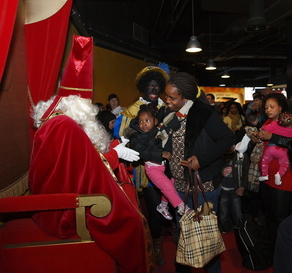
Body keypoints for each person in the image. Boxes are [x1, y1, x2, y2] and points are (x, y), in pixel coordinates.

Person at [28, 35, 155, 273]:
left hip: (50, 205)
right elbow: (84, 172)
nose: (91, 109)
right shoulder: (65, 126)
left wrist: (114, 149)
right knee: (132, 221)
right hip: (62, 211)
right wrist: (116, 154)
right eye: (87, 102)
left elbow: (75, 167)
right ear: (76, 102)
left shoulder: (54, 121)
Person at [157, 72, 235, 273]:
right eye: (166, 96)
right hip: (179, 189)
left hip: (203, 188)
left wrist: (202, 159)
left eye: (172, 97)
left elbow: (227, 139)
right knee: (184, 236)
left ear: (185, 98)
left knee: (205, 239)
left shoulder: (203, 113)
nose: (167, 100)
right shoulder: (170, 114)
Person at [114, 63, 170, 265]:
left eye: (157, 85)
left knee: (172, 202)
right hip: (146, 170)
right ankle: (157, 245)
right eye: (150, 85)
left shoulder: (168, 107)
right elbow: (123, 139)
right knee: (154, 207)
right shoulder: (131, 113)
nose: (154, 89)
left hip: (171, 165)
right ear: (143, 88)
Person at [129, 105, 192, 220]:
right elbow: (141, 152)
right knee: (167, 187)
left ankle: (163, 205)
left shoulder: (160, 131)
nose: (144, 124)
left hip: (164, 166)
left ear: (155, 121)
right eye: (141, 121)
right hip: (152, 168)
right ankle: (182, 207)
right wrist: (160, 154)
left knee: (172, 182)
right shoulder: (136, 137)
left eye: (147, 120)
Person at [254, 93, 292, 250]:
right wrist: (257, 138)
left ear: (281, 107)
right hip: (266, 174)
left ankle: (285, 251)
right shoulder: (267, 121)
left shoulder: (289, 121)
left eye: (272, 106)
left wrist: (272, 136)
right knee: (270, 215)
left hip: (284, 175)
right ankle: (273, 249)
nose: (268, 110)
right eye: (266, 107)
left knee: (281, 217)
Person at [259, 112, 292, 185]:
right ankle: (279, 175)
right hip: (283, 151)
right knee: (284, 165)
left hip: (271, 148)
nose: (268, 110)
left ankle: (264, 175)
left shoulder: (274, 124)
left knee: (265, 161)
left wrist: (263, 128)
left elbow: (266, 128)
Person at [218, 145, 249, 233]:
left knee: (238, 215)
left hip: (236, 190)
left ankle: (241, 234)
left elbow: (246, 172)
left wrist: (243, 186)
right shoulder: (219, 154)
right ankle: (227, 234)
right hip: (223, 190)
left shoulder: (241, 156)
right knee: (223, 216)